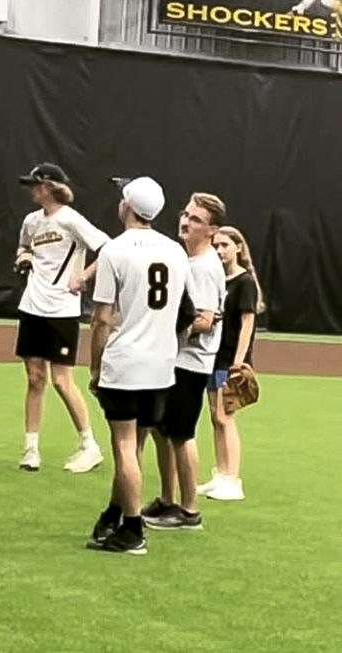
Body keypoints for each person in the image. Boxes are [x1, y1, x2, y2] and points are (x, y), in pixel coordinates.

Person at [86, 176, 189, 555]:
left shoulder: (115, 250)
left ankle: (132, 529)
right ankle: (114, 513)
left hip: (125, 360)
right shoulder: (176, 251)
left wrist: (96, 368)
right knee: (137, 443)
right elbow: (183, 309)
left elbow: (101, 318)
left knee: (125, 446)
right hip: (161, 365)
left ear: (127, 206)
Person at [14, 163, 109, 474]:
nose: (31, 190)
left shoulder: (70, 219)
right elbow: (24, 247)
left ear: (49, 186)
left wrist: (83, 276)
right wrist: (23, 257)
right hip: (32, 306)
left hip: (62, 311)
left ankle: (89, 445)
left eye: (35, 184)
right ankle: (30, 449)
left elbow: (107, 248)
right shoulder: (31, 221)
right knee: (34, 378)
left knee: (62, 380)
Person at [143, 193, 227, 531]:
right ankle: (168, 499)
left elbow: (205, 321)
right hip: (174, 358)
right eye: (185, 214)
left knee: (180, 434)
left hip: (190, 363)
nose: (186, 221)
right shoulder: (185, 259)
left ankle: (189, 511)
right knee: (161, 431)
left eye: (196, 219)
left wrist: (166, 328)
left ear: (212, 230)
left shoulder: (205, 266)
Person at [197, 226, 263, 502]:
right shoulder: (216, 279)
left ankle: (233, 479)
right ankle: (221, 475)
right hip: (213, 354)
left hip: (229, 358)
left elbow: (248, 323)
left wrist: (239, 361)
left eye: (225, 245)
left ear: (238, 247)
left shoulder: (244, 282)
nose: (220, 250)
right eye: (216, 245)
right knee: (215, 416)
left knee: (225, 416)